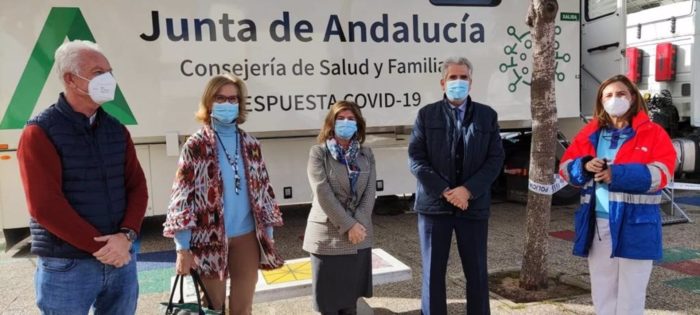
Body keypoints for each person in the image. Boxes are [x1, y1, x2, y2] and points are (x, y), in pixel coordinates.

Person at [16, 40, 149, 314]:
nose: (108, 79)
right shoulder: (40, 132)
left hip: (121, 260)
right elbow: (45, 206)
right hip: (68, 266)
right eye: (99, 72)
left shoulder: (116, 130)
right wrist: (103, 248)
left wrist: (126, 237)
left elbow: (137, 186)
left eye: (109, 72)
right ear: (70, 79)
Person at [163, 74, 284, 315]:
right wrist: (183, 248)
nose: (228, 104)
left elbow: (264, 193)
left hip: (246, 238)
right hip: (208, 240)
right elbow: (181, 198)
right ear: (209, 102)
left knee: (243, 308)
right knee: (213, 308)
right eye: (221, 98)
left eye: (233, 99)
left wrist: (267, 236)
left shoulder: (251, 144)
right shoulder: (195, 146)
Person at [559, 74, 676, 315]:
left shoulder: (653, 133)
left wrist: (617, 175)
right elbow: (565, 169)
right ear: (601, 101)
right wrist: (583, 166)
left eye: (621, 94)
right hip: (598, 224)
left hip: (636, 224)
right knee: (602, 294)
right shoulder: (590, 133)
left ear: (633, 97)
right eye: (608, 95)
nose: (615, 99)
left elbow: (663, 173)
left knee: (631, 297)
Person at [408, 56, 504, 315]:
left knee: (477, 274)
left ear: (471, 82)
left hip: (472, 208)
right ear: (443, 82)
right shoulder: (426, 115)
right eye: (453, 77)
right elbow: (417, 159)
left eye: (463, 78)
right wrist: (446, 191)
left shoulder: (487, 116)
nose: (458, 82)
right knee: (432, 273)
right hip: (434, 208)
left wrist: (467, 190)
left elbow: (495, 160)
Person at [303, 101, 376, 315]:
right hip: (328, 238)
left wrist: (358, 225)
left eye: (351, 118)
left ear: (358, 124)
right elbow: (322, 193)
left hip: (359, 237)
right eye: (340, 118)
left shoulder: (367, 154)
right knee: (328, 306)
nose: (346, 122)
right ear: (331, 123)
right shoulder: (318, 153)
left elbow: (370, 192)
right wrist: (348, 224)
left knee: (350, 304)